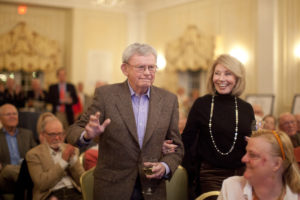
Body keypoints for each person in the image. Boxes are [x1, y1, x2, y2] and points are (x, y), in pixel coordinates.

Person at [66, 43, 184, 200]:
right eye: (141, 67)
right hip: (112, 189)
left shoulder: (168, 100)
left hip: (151, 189)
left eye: (152, 67)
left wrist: (165, 166)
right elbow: (73, 131)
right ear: (125, 69)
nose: (148, 73)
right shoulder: (106, 96)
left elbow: (176, 147)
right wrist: (87, 135)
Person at [181, 54, 255, 199]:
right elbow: (186, 141)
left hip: (242, 174)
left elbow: (253, 140)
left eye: (228, 74)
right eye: (217, 73)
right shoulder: (201, 104)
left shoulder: (246, 108)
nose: (221, 79)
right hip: (210, 175)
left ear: (237, 78)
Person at [218, 129, 300, 200]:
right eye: (246, 152)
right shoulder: (232, 187)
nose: (243, 159)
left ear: (276, 164)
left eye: (253, 155)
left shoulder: (295, 195)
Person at [26, 117, 85, 200]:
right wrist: (63, 161)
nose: (57, 138)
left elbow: (82, 180)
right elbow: (42, 184)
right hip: (51, 195)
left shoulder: (72, 149)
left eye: (60, 134)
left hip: (74, 192)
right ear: (43, 135)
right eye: (52, 134)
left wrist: (73, 160)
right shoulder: (34, 154)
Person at [0, 104, 37, 194]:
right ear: (0, 118)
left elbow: (37, 154)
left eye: (14, 114)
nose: (12, 116)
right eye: (8, 114)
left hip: (26, 170)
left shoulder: (27, 134)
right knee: (9, 169)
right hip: (5, 176)